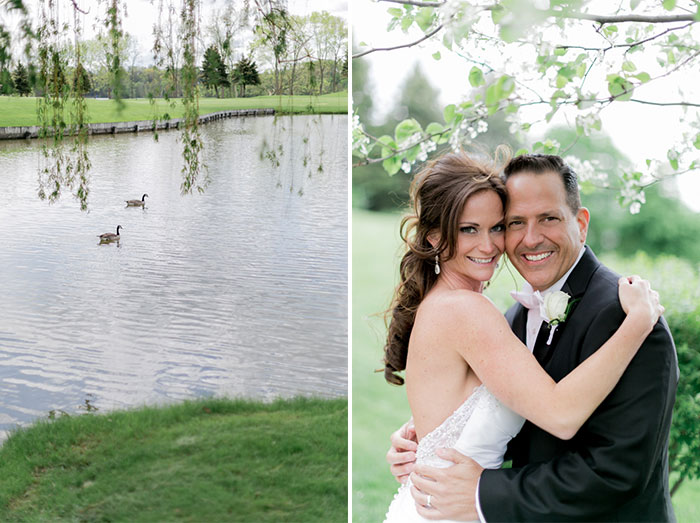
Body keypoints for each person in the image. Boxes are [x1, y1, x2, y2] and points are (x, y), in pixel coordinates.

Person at [382, 152, 676, 522]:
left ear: (581, 224)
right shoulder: (491, 313)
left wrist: (453, 460)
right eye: (515, 222)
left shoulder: (620, 313)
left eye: (497, 227)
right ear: (436, 237)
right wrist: (427, 440)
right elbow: (552, 415)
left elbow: (616, 471)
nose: (490, 246)